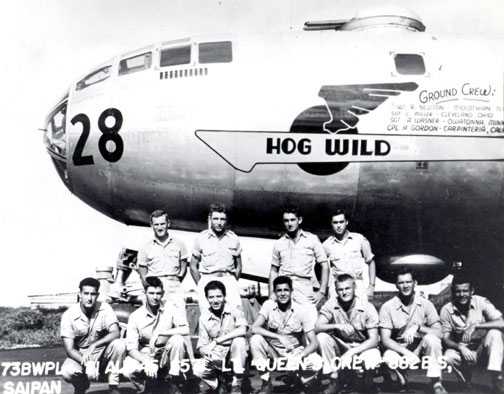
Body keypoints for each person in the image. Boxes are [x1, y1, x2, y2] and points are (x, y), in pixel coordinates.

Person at [379, 268, 447, 394]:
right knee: (389, 357)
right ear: (396, 285)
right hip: (398, 349)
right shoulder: (387, 307)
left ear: (415, 283)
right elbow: (385, 339)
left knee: (432, 340)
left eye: (408, 282)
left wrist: (418, 327)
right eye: (401, 283)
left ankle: (436, 382)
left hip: (420, 349)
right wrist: (406, 353)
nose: (405, 286)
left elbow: (440, 333)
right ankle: (400, 378)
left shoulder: (426, 304)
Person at [250, 276, 322, 394]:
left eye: (286, 290)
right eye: (279, 290)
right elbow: (254, 327)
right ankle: (266, 382)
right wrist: (278, 336)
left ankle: (303, 380)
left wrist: (300, 356)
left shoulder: (301, 310)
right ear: (274, 293)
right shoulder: (268, 305)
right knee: (255, 339)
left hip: (294, 353)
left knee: (316, 361)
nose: (282, 294)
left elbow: (314, 343)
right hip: (273, 353)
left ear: (291, 292)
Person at [122, 277, 190, 394]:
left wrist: (162, 333)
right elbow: (131, 348)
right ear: (145, 293)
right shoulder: (135, 316)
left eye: (158, 293)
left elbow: (185, 329)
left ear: (163, 293)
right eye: (151, 293)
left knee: (177, 339)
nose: (155, 297)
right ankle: (145, 387)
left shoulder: (170, 308)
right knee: (127, 369)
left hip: (165, 352)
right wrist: (146, 361)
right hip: (146, 352)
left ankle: (174, 381)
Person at [316, 273, 381, 393]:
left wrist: (352, 352)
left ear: (354, 288)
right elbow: (317, 327)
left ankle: (367, 381)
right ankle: (334, 378)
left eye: (347, 288)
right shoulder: (331, 304)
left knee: (373, 357)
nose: (344, 292)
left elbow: (374, 340)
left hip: (362, 347)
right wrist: (337, 325)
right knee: (322, 338)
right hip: (342, 346)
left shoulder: (367, 307)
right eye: (340, 289)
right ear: (336, 290)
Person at [60, 277, 126, 394]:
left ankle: (113, 386)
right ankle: (81, 386)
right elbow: (69, 349)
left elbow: (116, 332)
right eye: (86, 294)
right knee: (67, 372)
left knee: (119, 344)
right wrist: (87, 362)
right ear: (80, 294)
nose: (89, 298)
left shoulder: (105, 308)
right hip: (80, 354)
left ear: (97, 294)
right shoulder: (69, 315)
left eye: (93, 294)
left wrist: (95, 345)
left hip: (102, 352)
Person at [440, 272, 504, 392]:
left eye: (465, 291)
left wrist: (477, 325)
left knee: (495, 333)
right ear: (453, 292)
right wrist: (460, 347)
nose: (461, 294)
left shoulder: (481, 302)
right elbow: (446, 338)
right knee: (447, 357)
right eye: (458, 291)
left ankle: (496, 378)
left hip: (481, 348)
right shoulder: (446, 309)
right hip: (462, 349)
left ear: (471, 291)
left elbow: (502, 323)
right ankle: (464, 376)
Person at [194, 280, 248, 394]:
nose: (215, 300)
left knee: (239, 341)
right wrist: (206, 352)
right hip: (217, 355)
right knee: (197, 369)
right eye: (211, 297)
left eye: (219, 296)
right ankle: (218, 383)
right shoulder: (204, 317)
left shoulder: (235, 309)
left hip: (234, 354)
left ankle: (236, 383)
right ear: (207, 298)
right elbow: (201, 346)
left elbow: (243, 329)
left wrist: (216, 341)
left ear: (224, 296)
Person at [269, 205, 329, 307]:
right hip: (284, 287)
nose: (289, 224)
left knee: (309, 320)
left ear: (299, 220)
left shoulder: (312, 239)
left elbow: (325, 265)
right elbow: (273, 270)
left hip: (305, 288)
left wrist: (322, 291)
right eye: (286, 221)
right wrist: (271, 294)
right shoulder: (279, 243)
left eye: (292, 220)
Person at [190, 203, 243, 311]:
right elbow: (193, 266)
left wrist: (232, 280)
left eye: (222, 219)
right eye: (216, 219)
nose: (219, 223)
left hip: (228, 280)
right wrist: (201, 285)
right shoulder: (201, 238)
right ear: (210, 219)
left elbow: (239, 266)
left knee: (235, 313)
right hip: (208, 280)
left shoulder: (233, 238)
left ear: (226, 220)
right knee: (208, 316)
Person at [136, 209, 189, 312]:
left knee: (179, 317)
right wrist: (150, 287)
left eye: (162, 224)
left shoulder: (179, 244)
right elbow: (142, 272)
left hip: (174, 286)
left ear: (168, 224)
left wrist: (175, 281)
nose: (159, 228)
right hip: (155, 286)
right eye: (156, 225)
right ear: (151, 225)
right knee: (154, 318)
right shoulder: (145, 247)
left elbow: (183, 267)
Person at [322, 209, 376, 302]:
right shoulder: (327, 245)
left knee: (361, 313)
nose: (338, 225)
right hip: (337, 287)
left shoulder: (359, 239)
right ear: (331, 224)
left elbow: (371, 262)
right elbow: (319, 266)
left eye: (341, 222)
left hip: (357, 285)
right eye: (335, 223)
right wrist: (324, 288)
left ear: (346, 222)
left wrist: (371, 286)